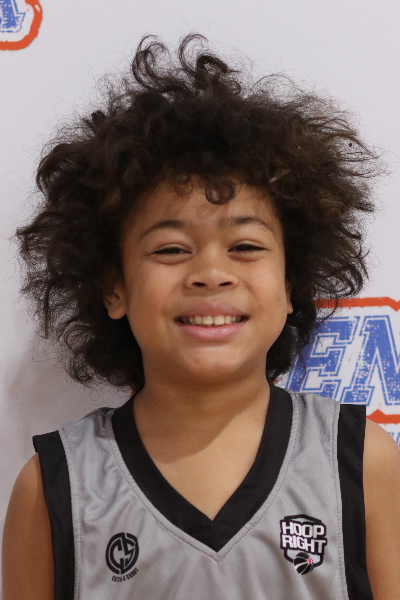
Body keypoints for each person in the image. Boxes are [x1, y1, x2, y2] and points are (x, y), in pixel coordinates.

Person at [2, 34, 400, 600]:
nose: (211, 273)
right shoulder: (54, 487)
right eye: (171, 249)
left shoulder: (360, 463)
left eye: (245, 246)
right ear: (114, 288)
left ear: (290, 285)